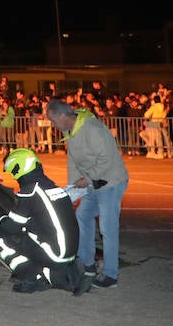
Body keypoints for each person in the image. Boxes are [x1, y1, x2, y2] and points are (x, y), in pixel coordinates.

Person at [46, 97, 129, 288]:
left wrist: (87, 180)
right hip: (95, 182)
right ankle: (87, 264)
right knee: (82, 216)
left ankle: (111, 274)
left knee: (108, 228)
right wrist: (72, 186)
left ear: (62, 115)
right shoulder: (70, 130)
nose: (53, 125)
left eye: (53, 120)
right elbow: (73, 160)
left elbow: (106, 160)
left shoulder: (92, 129)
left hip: (111, 182)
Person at [0, 148, 91, 294]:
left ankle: (36, 276)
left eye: (12, 172)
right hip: (69, 253)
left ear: (18, 169)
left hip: (55, 253)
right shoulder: (54, 188)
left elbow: (12, 227)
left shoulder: (30, 190)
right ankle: (59, 272)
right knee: (27, 233)